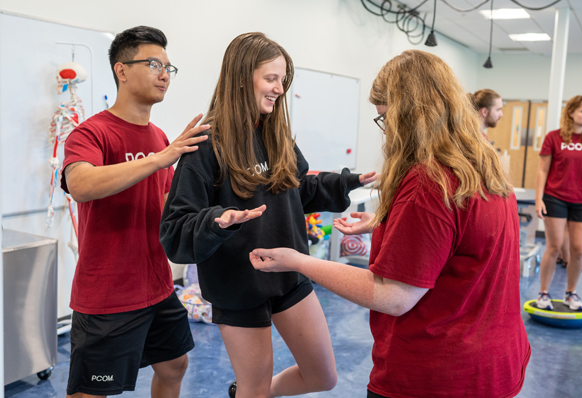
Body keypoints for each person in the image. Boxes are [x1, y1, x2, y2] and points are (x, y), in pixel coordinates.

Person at [249, 49, 530, 398]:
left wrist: (297, 260)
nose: (386, 131)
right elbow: (456, 236)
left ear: (410, 114)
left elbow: (393, 296)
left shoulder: (430, 181)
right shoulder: (480, 163)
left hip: (436, 375)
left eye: (385, 118)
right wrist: (388, 223)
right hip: (496, 360)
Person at [159, 32, 376, 398]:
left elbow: (297, 190)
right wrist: (218, 220)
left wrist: (347, 183)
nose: (279, 88)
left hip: (289, 275)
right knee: (254, 388)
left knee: (324, 377)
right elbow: (175, 229)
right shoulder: (205, 146)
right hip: (237, 286)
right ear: (243, 77)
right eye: (271, 78)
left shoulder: (276, 136)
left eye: (283, 80)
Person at [61, 26, 209, 398]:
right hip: (109, 292)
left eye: (169, 68)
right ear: (121, 70)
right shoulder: (92, 133)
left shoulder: (159, 137)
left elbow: (165, 208)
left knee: (175, 365)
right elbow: (81, 184)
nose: (164, 75)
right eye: (154, 63)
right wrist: (159, 159)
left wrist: (214, 219)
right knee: (90, 392)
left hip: (157, 286)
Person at [534, 95, 582, 311]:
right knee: (553, 247)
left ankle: (571, 293)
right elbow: (542, 170)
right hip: (556, 198)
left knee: (578, 250)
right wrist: (538, 199)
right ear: (571, 112)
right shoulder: (554, 138)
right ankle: (543, 292)